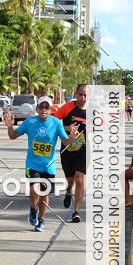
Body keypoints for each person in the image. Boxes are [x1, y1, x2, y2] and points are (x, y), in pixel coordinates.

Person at [4, 96, 79, 232]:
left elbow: (66, 142)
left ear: (51, 110)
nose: (44, 109)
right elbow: (13, 136)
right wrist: (10, 127)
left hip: (48, 166)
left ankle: (41, 220)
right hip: (32, 164)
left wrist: (72, 138)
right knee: (35, 188)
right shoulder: (30, 122)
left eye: (47, 107)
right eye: (41, 107)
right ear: (37, 109)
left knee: (44, 194)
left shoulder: (56, 123)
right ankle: (33, 209)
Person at [55, 84, 87, 223]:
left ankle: (76, 211)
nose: (83, 98)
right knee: (71, 180)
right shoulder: (68, 107)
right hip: (67, 149)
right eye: (80, 94)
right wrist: (67, 128)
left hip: (84, 150)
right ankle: (69, 191)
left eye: (86, 95)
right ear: (76, 93)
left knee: (79, 177)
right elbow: (53, 123)